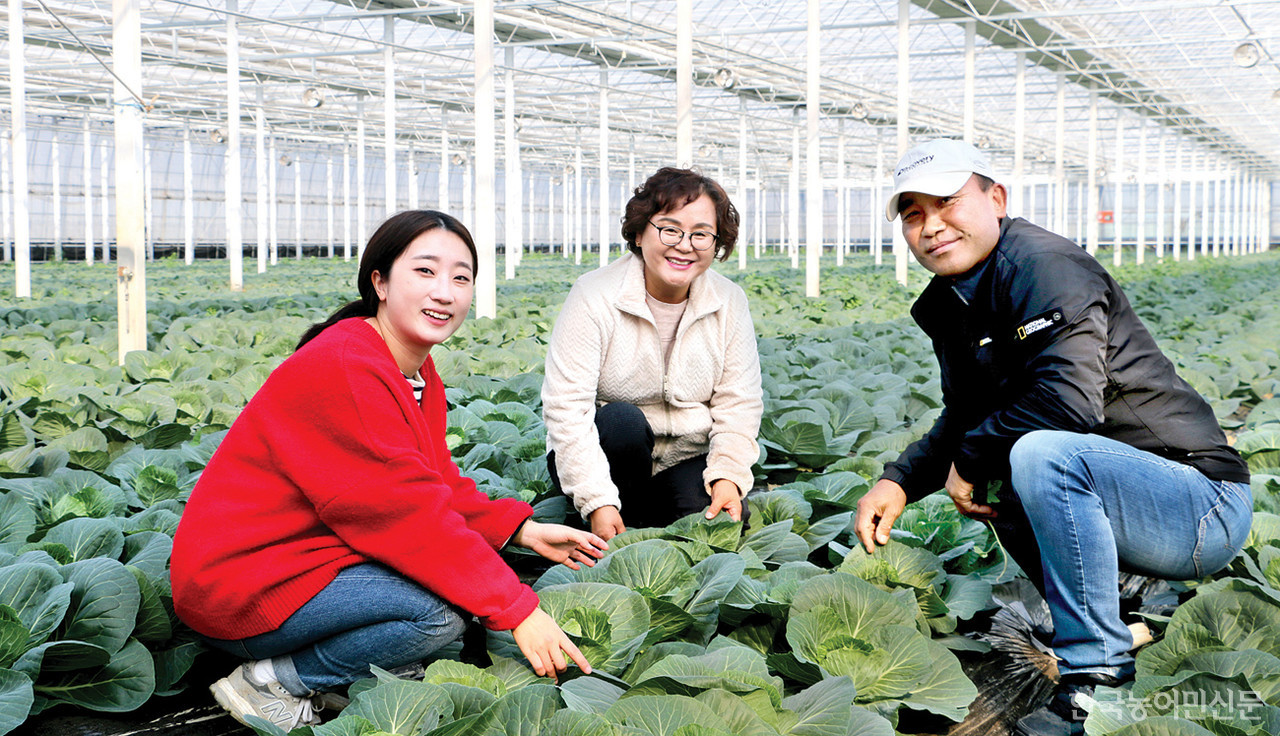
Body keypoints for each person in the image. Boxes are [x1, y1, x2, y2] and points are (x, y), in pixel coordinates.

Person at [852, 139, 1252, 733]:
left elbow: (1067, 402)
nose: (931, 225)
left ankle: (1097, 674)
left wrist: (970, 457)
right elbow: (965, 414)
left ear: (997, 199)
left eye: (946, 202)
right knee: (1007, 453)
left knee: (1036, 451)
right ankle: (1116, 617)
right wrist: (899, 480)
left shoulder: (1045, 266)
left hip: (1199, 507)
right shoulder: (951, 303)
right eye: (913, 214)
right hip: (1131, 505)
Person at [170, 210, 608, 730]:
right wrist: (518, 609)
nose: (445, 292)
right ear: (379, 281)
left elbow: (433, 481)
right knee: (437, 615)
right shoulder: (347, 367)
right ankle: (271, 681)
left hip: (298, 563)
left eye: (461, 277)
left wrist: (520, 528)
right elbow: (408, 515)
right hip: (243, 587)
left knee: (459, 588)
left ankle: (331, 675)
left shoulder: (411, 368)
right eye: (425, 272)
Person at [542, 167, 763, 541]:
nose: (684, 244)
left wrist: (728, 476)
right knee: (623, 422)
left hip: (685, 457)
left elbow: (739, 404)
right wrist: (597, 500)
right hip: (610, 454)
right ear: (641, 231)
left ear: (716, 243)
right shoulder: (594, 295)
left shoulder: (728, 301)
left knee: (719, 524)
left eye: (701, 234)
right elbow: (567, 409)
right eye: (670, 229)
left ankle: (641, 517)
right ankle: (606, 511)